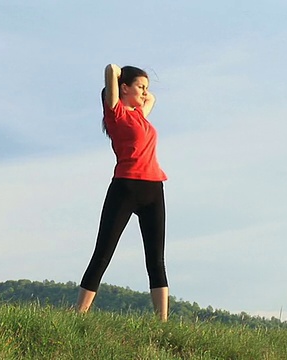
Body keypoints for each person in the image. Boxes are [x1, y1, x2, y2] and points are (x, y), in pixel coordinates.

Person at [75, 64, 169, 321]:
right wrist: (118, 78)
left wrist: (141, 89)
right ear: (123, 88)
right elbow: (111, 68)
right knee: (103, 252)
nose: (145, 92)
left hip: (153, 187)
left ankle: (162, 322)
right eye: (139, 86)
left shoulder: (140, 115)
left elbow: (153, 98)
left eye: (145, 88)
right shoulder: (116, 114)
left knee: (156, 259)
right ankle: (78, 314)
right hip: (125, 187)